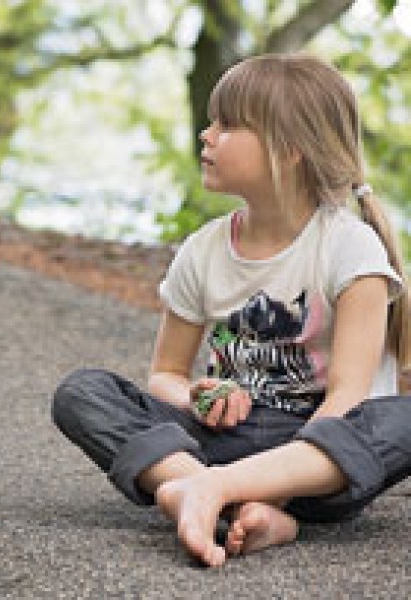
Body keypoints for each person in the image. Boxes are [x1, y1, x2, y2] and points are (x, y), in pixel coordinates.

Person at [52, 54, 411, 567]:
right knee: (83, 393)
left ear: (289, 150)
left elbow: (347, 402)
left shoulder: (350, 250)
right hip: (225, 440)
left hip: (320, 464)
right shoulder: (202, 251)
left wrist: (271, 490)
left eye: (228, 124)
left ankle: (204, 493)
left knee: (401, 418)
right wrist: (197, 395)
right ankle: (219, 499)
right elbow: (166, 375)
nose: (207, 135)